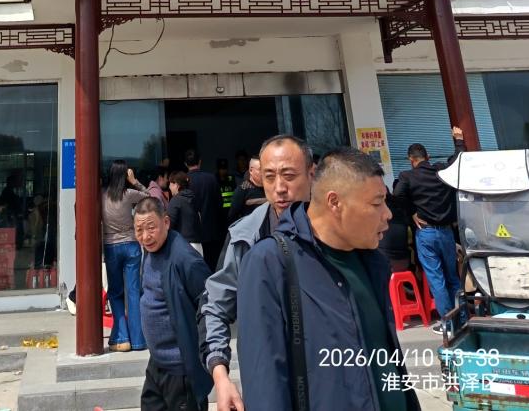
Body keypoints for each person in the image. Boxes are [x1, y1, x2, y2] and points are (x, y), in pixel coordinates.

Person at [237, 148, 420, 411]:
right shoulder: (270, 261)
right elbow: (264, 382)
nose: (387, 214)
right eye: (377, 203)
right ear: (335, 202)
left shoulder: (372, 261)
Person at [199, 135, 314, 411]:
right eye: (269, 177)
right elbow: (214, 305)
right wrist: (220, 375)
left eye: (289, 176)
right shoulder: (244, 236)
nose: (279, 188)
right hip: (267, 387)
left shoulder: (339, 231)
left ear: (312, 174)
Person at [133, 198, 212, 411]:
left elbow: (210, 305)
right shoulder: (149, 250)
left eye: (151, 228)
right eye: (139, 230)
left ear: (166, 222)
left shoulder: (185, 259)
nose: (145, 236)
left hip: (181, 369)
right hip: (157, 363)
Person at [393, 126, 466, 323]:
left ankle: (448, 323)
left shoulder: (407, 176)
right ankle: (462, 318)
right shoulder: (441, 171)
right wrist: (459, 140)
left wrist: (412, 213)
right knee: (453, 277)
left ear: (411, 159)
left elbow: (397, 196)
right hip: (447, 232)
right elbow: (457, 160)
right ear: (428, 157)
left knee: (436, 280)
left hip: (425, 233)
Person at [101, 159, 149, 352]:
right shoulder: (129, 194)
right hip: (131, 245)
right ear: (124, 175)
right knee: (134, 292)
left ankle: (122, 337)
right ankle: (138, 340)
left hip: (111, 246)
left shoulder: (102, 195)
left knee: (115, 292)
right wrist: (134, 181)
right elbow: (150, 197)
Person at [184, 150, 222, 270]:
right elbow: (219, 204)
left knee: (196, 269)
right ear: (200, 161)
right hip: (212, 231)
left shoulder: (184, 180)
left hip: (193, 233)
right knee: (213, 266)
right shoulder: (211, 178)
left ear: (185, 164)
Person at [167, 172, 204, 253]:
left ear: (177, 185)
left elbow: (169, 224)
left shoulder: (176, 200)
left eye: (170, 184)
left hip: (184, 246)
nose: (169, 187)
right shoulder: (194, 198)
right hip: (198, 245)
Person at [226, 156, 265, 225]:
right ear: (251, 171)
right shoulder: (242, 190)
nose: (263, 173)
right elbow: (232, 217)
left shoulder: (269, 188)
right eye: (260, 169)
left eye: (265, 169)